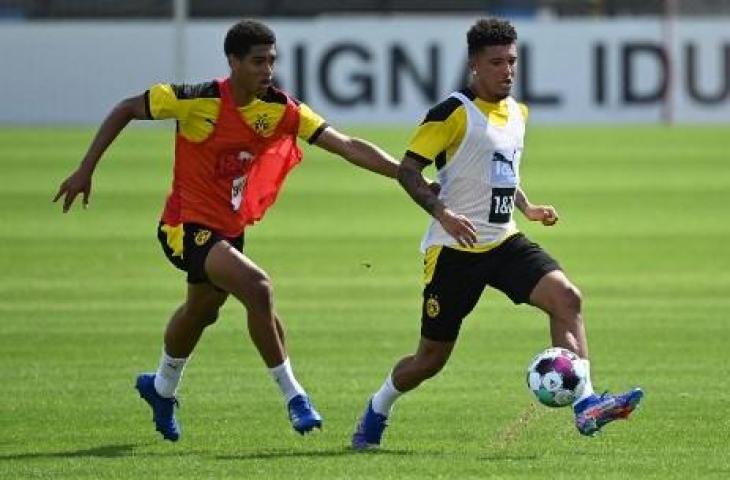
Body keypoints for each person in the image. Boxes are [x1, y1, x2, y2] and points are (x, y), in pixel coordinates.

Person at [54, 19, 403, 442]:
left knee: (202, 311)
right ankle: (295, 397)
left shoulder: (279, 108)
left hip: (227, 229)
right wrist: (86, 168)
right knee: (259, 288)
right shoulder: (197, 100)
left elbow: (346, 144)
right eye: (258, 61)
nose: (267, 70)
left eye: (272, 61)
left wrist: (405, 173)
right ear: (233, 62)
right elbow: (127, 107)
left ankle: (161, 387)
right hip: (184, 226)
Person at [351, 17, 643, 449]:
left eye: (512, 61)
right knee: (430, 359)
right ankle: (377, 408)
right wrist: (443, 212)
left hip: (504, 240)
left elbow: (499, 170)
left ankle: (586, 405)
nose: (507, 70)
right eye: (496, 62)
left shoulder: (517, 112)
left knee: (567, 299)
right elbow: (409, 171)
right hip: (454, 248)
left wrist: (527, 205)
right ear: (474, 66)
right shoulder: (451, 113)